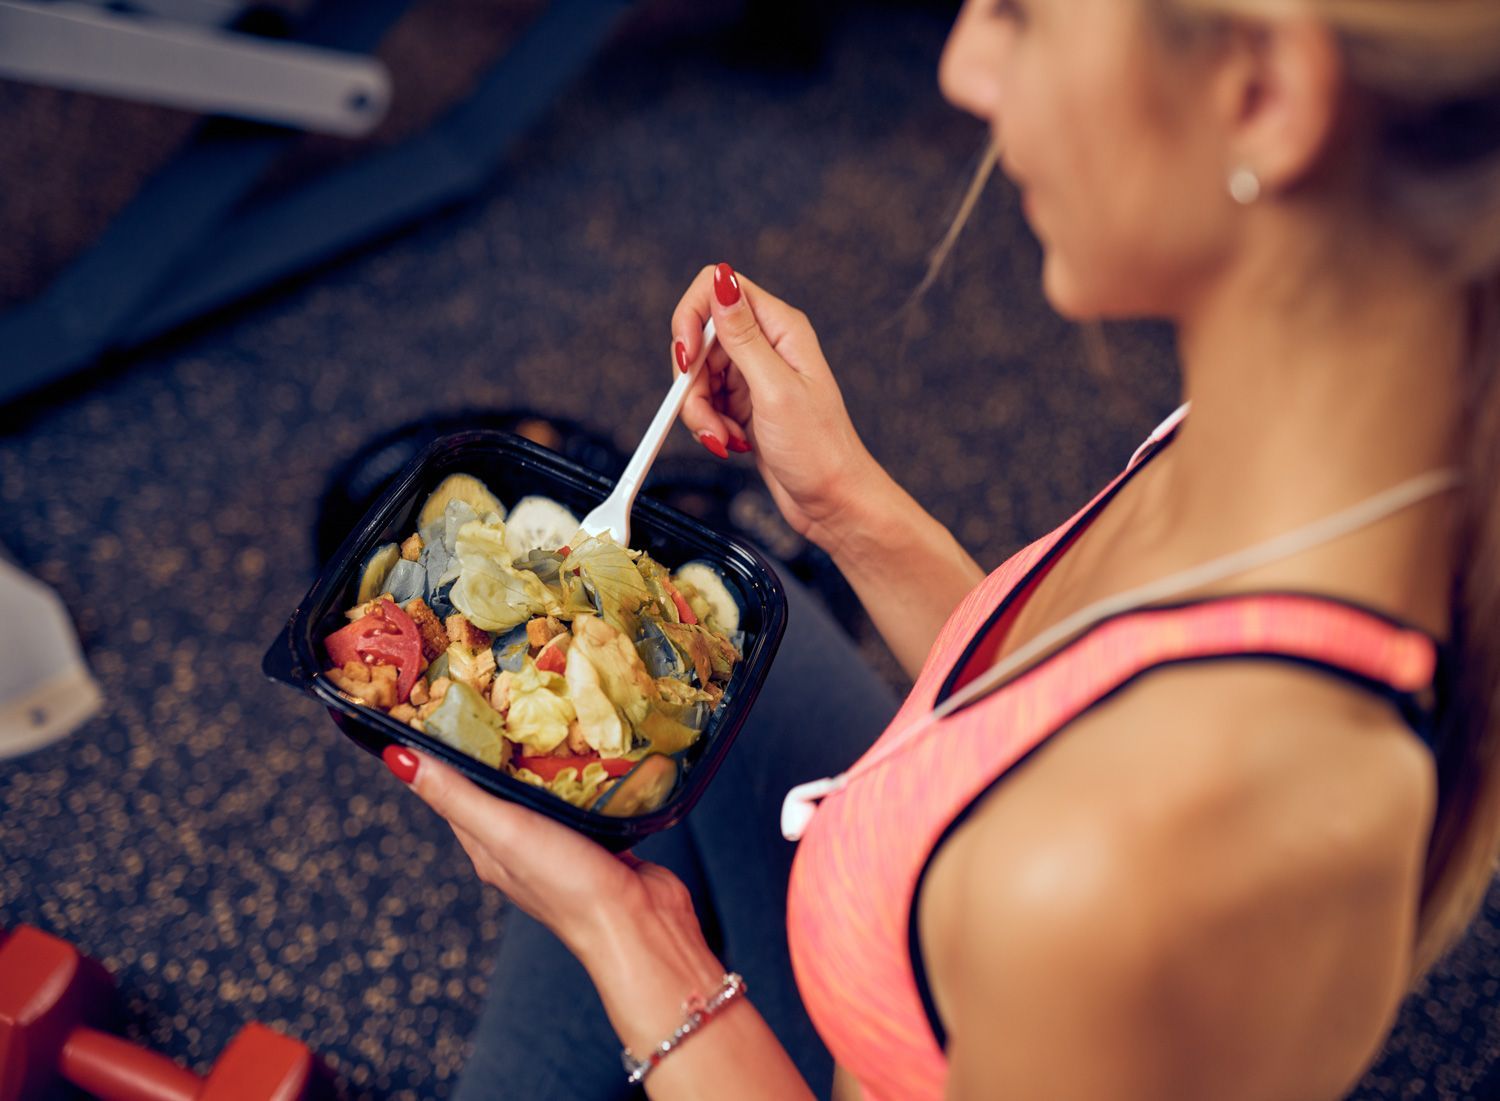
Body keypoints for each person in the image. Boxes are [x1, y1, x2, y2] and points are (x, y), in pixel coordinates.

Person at [380, 0, 1500, 1096]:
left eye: (1017, 12)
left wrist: (632, 941)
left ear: (1261, 94)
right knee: (688, 625)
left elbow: (1088, 803)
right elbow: (1054, 709)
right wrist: (845, 508)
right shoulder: (1308, 444)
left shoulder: (1127, 869)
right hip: (921, 953)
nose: (961, 66)